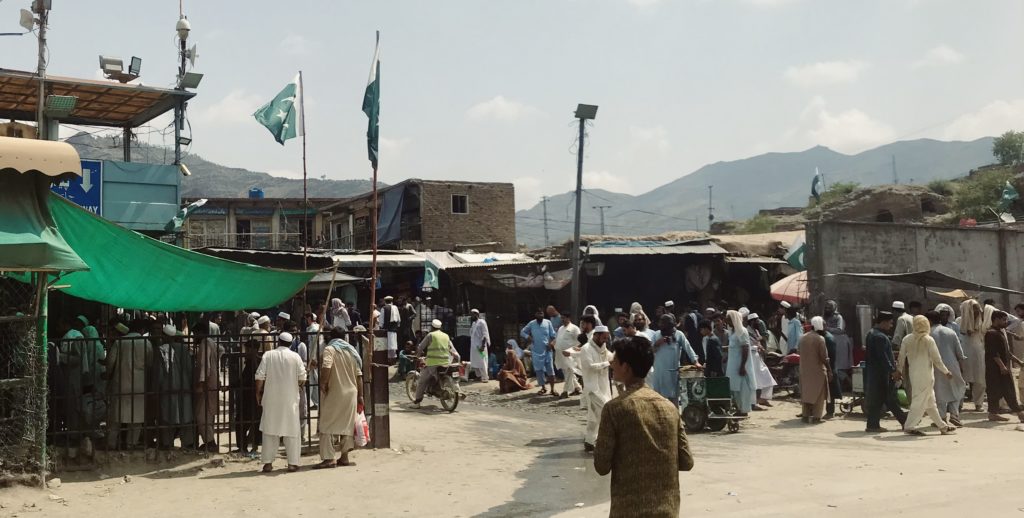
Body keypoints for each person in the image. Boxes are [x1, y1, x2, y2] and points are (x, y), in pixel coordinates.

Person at [594, 335, 694, 518]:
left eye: (614, 360)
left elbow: (601, 465)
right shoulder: (669, 407)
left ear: (626, 367)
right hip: (667, 510)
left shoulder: (614, 409)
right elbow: (687, 462)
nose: (611, 363)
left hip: (628, 511)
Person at [256, 331, 307, 473]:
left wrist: (258, 393)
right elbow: (302, 378)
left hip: (271, 398)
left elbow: (259, 376)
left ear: (278, 342)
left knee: (269, 431)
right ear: (290, 344)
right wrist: (299, 384)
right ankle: (292, 463)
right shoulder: (295, 357)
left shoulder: (268, 355)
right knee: (292, 431)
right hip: (289, 400)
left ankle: (267, 463)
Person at [897, 314, 955, 435]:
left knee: (930, 402)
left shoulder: (907, 339)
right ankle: (909, 426)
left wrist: (898, 370)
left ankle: (942, 426)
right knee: (919, 401)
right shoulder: (929, 340)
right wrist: (946, 371)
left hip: (914, 374)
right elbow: (936, 359)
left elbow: (901, 358)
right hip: (926, 375)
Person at [314, 328, 363, 469]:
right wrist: (360, 395)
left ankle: (329, 458)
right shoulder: (352, 351)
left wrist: (323, 384)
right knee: (347, 426)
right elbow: (359, 375)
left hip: (335, 392)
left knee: (326, 425)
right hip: (351, 393)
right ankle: (345, 457)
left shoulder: (330, 349)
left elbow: (326, 366)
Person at [105, 320, 152, 450]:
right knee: (137, 417)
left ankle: (111, 444)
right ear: (142, 330)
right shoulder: (146, 343)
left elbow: (110, 362)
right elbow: (149, 364)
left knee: (116, 416)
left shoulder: (119, 342)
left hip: (120, 383)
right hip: (139, 385)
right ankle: (131, 445)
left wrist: (108, 376)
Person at [569, 325, 612, 452]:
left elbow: (612, 356)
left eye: (606, 338)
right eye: (603, 338)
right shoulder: (586, 349)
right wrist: (608, 363)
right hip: (592, 389)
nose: (605, 340)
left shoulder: (603, 348)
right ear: (596, 335)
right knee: (605, 412)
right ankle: (604, 441)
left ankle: (589, 441)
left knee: (593, 417)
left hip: (603, 387)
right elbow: (591, 366)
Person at [863, 312, 907, 433]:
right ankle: (904, 421)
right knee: (888, 398)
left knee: (880, 399)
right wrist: (892, 371)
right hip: (881, 374)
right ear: (883, 322)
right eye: (890, 322)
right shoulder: (879, 337)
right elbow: (883, 357)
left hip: (874, 373)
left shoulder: (871, 334)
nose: (891, 325)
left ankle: (873, 425)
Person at [155, 324, 195, 450]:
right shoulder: (183, 349)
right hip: (184, 387)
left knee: (167, 417)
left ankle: (167, 443)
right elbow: (189, 369)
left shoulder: (160, 350)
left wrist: (158, 386)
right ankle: (188, 443)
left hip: (167, 388)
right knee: (185, 416)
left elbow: (159, 373)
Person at [984, 310, 1024, 423]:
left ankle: (993, 413)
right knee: (1005, 390)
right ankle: (1020, 414)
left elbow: (1006, 352)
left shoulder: (1000, 332)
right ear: (996, 319)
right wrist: (1002, 366)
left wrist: (1018, 361)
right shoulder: (991, 333)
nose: (1006, 322)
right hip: (996, 369)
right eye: (1004, 319)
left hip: (1003, 368)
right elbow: (993, 353)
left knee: (1001, 390)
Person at [649, 314, 698, 406]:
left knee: (674, 398)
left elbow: (688, 348)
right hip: (660, 372)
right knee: (659, 399)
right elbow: (649, 351)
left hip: (673, 371)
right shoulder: (656, 335)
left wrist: (696, 362)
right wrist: (657, 343)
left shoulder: (679, 334)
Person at [411, 319, 461, 409]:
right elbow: (451, 348)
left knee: (422, 381)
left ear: (432, 327)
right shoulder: (446, 336)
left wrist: (417, 356)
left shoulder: (430, 335)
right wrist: (457, 357)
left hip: (432, 363)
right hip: (446, 363)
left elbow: (421, 347)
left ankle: (417, 403)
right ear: (440, 327)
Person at [929, 310, 967, 427]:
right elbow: (960, 353)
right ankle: (955, 414)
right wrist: (961, 367)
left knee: (939, 391)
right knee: (957, 387)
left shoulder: (928, 334)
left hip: (935, 366)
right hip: (952, 364)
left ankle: (942, 418)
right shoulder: (950, 331)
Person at [195, 316, 225, 452]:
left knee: (202, 415)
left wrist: (201, 383)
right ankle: (209, 441)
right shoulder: (212, 342)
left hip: (207, 383)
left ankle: (210, 442)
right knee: (209, 414)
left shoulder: (204, 343)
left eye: (196, 334)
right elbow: (221, 350)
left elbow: (204, 365)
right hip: (212, 381)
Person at [798, 317, 831, 424]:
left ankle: (805, 416)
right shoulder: (820, 339)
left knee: (807, 393)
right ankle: (817, 417)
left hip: (804, 370)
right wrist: (829, 370)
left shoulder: (802, 338)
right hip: (818, 371)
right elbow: (824, 357)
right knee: (819, 395)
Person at [725, 310, 756, 416]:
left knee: (742, 387)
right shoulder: (732, 332)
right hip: (732, 364)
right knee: (734, 387)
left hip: (740, 364)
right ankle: (738, 408)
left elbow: (745, 348)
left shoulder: (742, 331)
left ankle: (744, 409)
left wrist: (742, 366)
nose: (727, 321)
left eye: (729, 319)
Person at [520, 309, 557, 395]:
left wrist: (551, 344)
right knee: (539, 371)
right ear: (535, 314)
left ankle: (553, 389)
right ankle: (543, 388)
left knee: (550, 371)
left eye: (541, 313)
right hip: (536, 351)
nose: (540, 315)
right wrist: (527, 337)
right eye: (538, 313)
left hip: (547, 351)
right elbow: (522, 332)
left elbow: (554, 336)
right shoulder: (532, 324)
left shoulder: (548, 322)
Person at [959, 299, 986, 411]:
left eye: (976, 308)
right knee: (961, 380)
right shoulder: (959, 322)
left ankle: (978, 403)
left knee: (980, 379)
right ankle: (958, 404)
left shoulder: (982, 322)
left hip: (979, 353)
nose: (976, 311)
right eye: (973, 308)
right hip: (963, 352)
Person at [745, 312, 776, 408]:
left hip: (758, 358)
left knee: (767, 378)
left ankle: (763, 399)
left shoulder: (756, 331)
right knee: (754, 382)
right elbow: (747, 346)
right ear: (752, 321)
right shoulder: (746, 332)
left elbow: (758, 343)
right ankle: (753, 403)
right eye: (756, 321)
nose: (758, 322)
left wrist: (761, 348)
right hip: (751, 359)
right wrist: (756, 347)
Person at [824, 300, 853, 386]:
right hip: (831, 343)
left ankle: (851, 384)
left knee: (840, 367)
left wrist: (827, 329)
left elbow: (840, 330)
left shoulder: (838, 317)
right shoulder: (825, 317)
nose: (827, 309)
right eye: (826, 307)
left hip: (840, 343)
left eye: (829, 307)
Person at [554, 312, 582, 398]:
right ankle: (578, 388)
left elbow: (580, 341)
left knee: (569, 371)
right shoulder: (561, 328)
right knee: (567, 372)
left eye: (564, 318)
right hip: (560, 355)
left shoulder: (574, 328)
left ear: (569, 318)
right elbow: (558, 339)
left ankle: (565, 391)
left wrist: (575, 350)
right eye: (561, 318)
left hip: (570, 355)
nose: (563, 320)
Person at [468, 309, 491, 382]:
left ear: (476, 314)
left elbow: (485, 334)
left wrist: (483, 346)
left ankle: (485, 377)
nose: (471, 316)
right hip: (474, 347)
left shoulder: (482, 322)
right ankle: (478, 376)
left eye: (472, 315)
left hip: (480, 346)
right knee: (475, 361)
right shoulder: (474, 323)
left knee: (482, 361)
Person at [381, 296, 400, 362]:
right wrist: (397, 326)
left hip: (387, 330)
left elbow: (381, 320)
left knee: (387, 345)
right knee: (393, 344)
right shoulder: (395, 308)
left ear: (385, 301)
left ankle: (388, 360)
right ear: (392, 301)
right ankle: (393, 359)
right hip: (394, 330)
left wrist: (381, 327)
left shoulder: (384, 308)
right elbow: (398, 319)